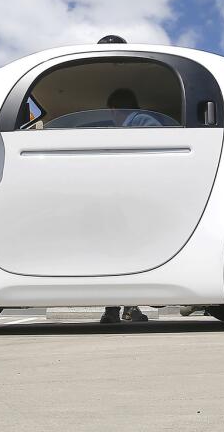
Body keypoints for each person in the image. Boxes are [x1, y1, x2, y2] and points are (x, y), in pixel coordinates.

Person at [100, 88, 154, 324]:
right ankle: (124, 309)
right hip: (128, 199)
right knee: (125, 253)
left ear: (114, 109)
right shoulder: (138, 124)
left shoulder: (140, 122)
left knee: (118, 253)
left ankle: (115, 310)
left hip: (125, 198)